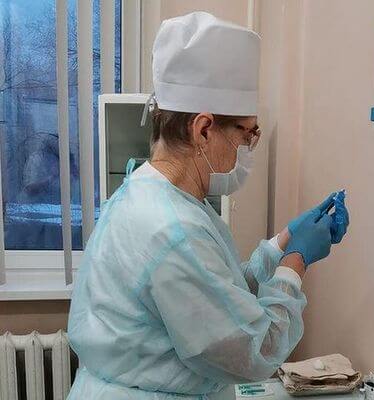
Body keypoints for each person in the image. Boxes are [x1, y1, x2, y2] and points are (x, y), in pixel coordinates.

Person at [66, 11, 349, 400]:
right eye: (247, 134)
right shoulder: (172, 228)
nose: (248, 147)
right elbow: (254, 350)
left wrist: (285, 240)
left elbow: (219, 293)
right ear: (203, 130)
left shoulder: (151, 195)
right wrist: (296, 262)